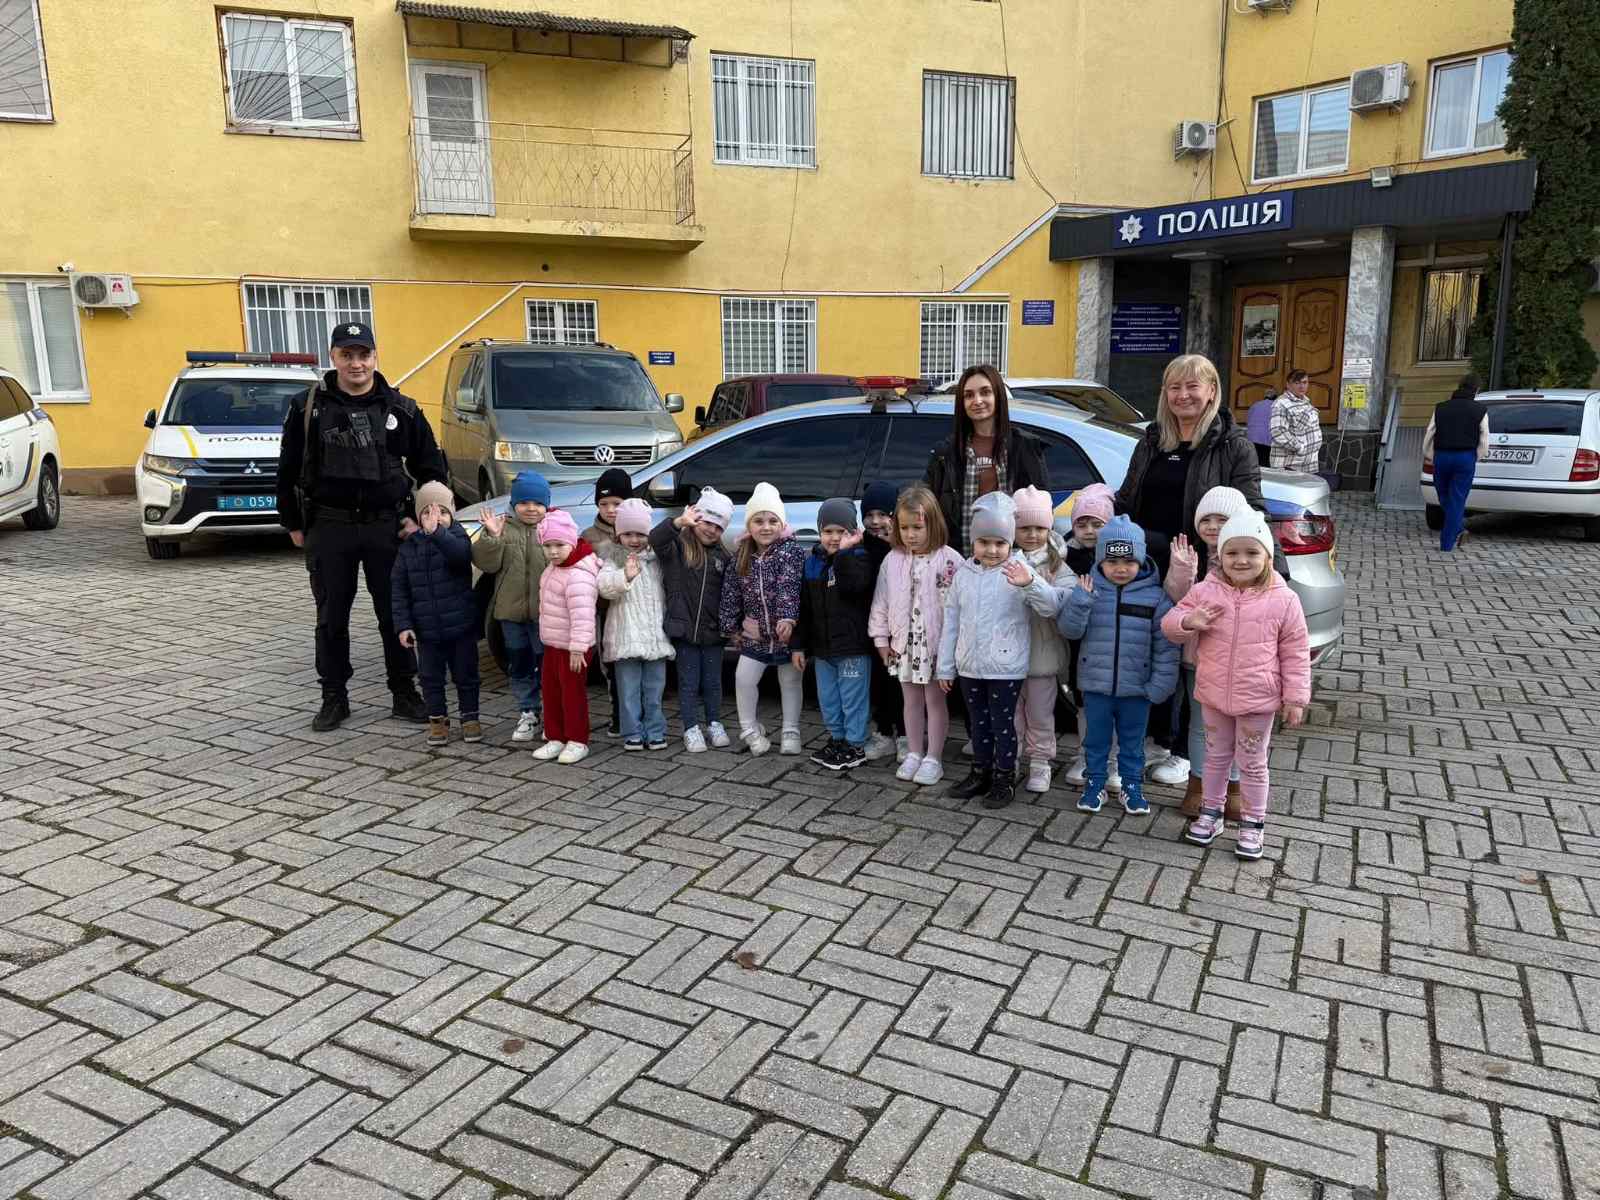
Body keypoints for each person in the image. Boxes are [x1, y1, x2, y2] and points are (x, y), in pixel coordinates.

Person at [276, 322, 447, 731]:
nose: (357, 363)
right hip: (329, 527)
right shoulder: (307, 407)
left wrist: (423, 517)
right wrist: (293, 522)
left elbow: (432, 468)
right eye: (347, 355)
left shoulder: (401, 408)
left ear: (375, 356)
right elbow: (287, 468)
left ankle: (404, 692)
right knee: (331, 618)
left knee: (395, 614)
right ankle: (334, 697)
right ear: (333, 357)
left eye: (364, 354)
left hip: (387, 529)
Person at [1114, 352, 1266, 785]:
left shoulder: (1232, 446)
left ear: (1212, 391)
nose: (1183, 395)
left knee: (1194, 664)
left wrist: (1228, 559)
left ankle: (1184, 750)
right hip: (1148, 570)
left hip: (1204, 573)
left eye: (1192, 386)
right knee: (1156, 657)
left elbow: (1251, 510)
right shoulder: (1151, 441)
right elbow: (1127, 498)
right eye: (1174, 387)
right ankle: (1159, 739)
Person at [1164, 509, 1310, 859]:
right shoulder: (1205, 591)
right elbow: (1169, 623)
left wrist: (1295, 698)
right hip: (1214, 695)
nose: (1241, 560)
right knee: (1215, 758)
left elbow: (1295, 651)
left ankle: (1253, 822)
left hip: (1258, 700)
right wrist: (1189, 620)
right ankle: (1211, 813)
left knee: (1253, 763)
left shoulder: (1284, 599)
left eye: (1251, 552)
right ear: (1220, 556)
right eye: (1232, 552)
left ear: (1267, 556)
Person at [937, 492, 1059, 810]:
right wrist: (946, 666)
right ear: (973, 541)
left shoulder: (1020, 569)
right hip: (969, 665)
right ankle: (981, 772)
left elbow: (1050, 606)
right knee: (977, 724)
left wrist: (1029, 583)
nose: (992, 550)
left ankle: (1004, 777)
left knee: (1003, 725)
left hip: (1005, 667)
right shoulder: (963, 574)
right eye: (984, 542)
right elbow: (952, 622)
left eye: (1000, 543)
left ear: (1010, 542)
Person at [1057, 516, 1180, 816]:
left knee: (1133, 743)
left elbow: (1166, 646)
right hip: (1096, 687)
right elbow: (1070, 631)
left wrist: (1160, 686)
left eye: (1128, 561)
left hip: (1137, 690)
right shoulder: (1088, 590)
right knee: (1096, 741)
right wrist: (1080, 602)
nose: (1120, 568)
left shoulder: (1156, 598)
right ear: (1100, 561)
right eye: (1112, 561)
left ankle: (1132, 787)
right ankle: (1094, 784)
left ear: (1141, 560)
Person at [869, 486, 964, 787]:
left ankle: (933, 758)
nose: (910, 535)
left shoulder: (950, 560)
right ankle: (914, 752)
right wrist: (881, 640)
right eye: (904, 528)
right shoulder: (892, 560)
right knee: (910, 700)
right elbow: (881, 601)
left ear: (932, 524)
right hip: (904, 645)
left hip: (935, 646)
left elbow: (961, 608)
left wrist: (954, 649)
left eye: (917, 528)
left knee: (934, 701)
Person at [1164, 485, 1250, 819]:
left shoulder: (1247, 559)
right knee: (1201, 727)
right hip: (1197, 660)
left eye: (1222, 519)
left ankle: (1235, 789)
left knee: (1239, 729)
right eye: (1206, 519)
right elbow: (1177, 603)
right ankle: (1197, 787)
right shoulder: (1192, 555)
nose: (1213, 526)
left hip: (1237, 664)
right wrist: (1182, 571)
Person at [719, 482, 807, 756]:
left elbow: (789, 586)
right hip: (754, 634)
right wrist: (730, 626)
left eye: (772, 521)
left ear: (782, 524)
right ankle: (750, 730)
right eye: (759, 521)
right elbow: (731, 593)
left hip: (785, 635)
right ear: (749, 525)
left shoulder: (790, 552)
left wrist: (788, 618)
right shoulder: (741, 556)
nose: (766, 527)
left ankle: (791, 730)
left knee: (790, 682)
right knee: (743, 679)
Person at [925, 364, 1049, 554]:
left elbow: (1040, 506)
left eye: (985, 392)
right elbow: (927, 501)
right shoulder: (946, 452)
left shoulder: (1024, 446)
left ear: (998, 395)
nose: (977, 401)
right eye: (969, 395)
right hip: (961, 559)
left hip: (1012, 561)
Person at [391, 482, 479, 747]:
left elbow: (460, 557)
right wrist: (403, 625)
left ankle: (470, 717)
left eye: (442, 512)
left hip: (460, 626)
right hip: (427, 631)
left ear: (452, 513)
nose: (435, 518)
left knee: (466, 675)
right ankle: (437, 719)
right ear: (418, 517)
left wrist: (438, 533)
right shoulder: (409, 548)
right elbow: (399, 590)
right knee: (430, 679)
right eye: (427, 512)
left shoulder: (457, 537)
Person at [793, 499, 877, 771]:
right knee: (829, 699)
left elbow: (854, 586)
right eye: (828, 531)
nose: (834, 538)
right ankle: (838, 738)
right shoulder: (812, 564)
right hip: (823, 649)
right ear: (819, 532)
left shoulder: (859, 558)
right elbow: (805, 609)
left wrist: (843, 554)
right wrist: (798, 646)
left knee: (853, 700)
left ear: (854, 532)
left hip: (852, 648)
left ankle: (855, 744)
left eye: (842, 532)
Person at [650, 487, 734, 753]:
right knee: (688, 683)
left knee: (713, 683)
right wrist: (678, 522)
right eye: (707, 522)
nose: (711, 530)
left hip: (713, 633)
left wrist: (729, 626)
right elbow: (656, 539)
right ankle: (690, 727)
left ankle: (714, 722)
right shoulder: (678, 547)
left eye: (718, 527)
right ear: (696, 518)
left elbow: (731, 596)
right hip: (684, 631)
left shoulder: (724, 557)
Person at [473, 470, 548, 743]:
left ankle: (551, 713)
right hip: (510, 613)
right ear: (514, 504)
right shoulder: (503, 529)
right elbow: (486, 563)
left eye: (538, 503)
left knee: (545, 665)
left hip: (544, 615)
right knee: (520, 664)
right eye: (524, 502)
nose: (531, 508)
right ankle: (528, 711)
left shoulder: (551, 529)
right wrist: (492, 537)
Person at [597, 498, 675, 752]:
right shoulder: (613, 559)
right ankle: (632, 732)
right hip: (626, 636)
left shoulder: (656, 560)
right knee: (628, 690)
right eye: (627, 534)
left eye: (640, 534)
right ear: (618, 535)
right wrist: (625, 576)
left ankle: (655, 731)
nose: (634, 539)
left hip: (654, 637)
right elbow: (604, 586)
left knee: (654, 690)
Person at [1012, 486, 1073, 794]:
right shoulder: (1003, 557)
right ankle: (1010, 757)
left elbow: (1059, 605)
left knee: (1039, 714)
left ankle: (1040, 762)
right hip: (1007, 656)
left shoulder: (1058, 565)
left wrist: (1031, 583)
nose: (1032, 534)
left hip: (1042, 655)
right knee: (1011, 715)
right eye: (1024, 528)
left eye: (1039, 527)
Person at [1057, 484, 1116, 790]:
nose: (1090, 531)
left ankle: (1114, 760)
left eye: (1097, 524)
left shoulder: (1121, 558)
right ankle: (1085, 755)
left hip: (1113, 643)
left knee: (1114, 704)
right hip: (1081, 644)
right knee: (1083, 703)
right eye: (1082, 524)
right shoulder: (1067, 557)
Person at [532, 510, 599, 765]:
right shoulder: (553, 569)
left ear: (571, 542)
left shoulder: (578, 575)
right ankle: (556, 736)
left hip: (573, 648)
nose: (553, 551)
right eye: (547, 546)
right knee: (551, 691)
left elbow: (583, 616)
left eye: (559, 545)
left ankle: (577, 740)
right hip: (553, 643)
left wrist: (578, 648)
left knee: (572, 694)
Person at [860, 479, 906, 761]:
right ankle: (884, 733)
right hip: (874, 630)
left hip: (901, 630)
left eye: (883, 514)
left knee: (901, 684)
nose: (876, 522)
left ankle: (906, 735)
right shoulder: (860, 547)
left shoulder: (905, 546)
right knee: (879, 683)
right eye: (869, 515)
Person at [585, 467, 632, 736]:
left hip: (633, 609)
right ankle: (617, 713)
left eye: (617, 503)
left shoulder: (638, 530)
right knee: (610, 661)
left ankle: (636, 711)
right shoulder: (589, 536)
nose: (610, 510)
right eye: (604, 504)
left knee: (633, 660)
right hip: (604, 610)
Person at [1424, 376, 1490, 552]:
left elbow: (1430, 432)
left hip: (1442, 456)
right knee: (1457, 498)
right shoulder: (1480, 410)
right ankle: (1449, 540)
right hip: (1465, 457)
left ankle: (1454, 534)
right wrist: (1476, 456)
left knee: (1443, 495)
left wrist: (1429, 455)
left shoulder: (1440, 408)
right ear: (1476, 391)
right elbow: (1484, 438)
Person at [1271, 369, 1323, 473]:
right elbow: (1278, 431)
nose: (1302, 386)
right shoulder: (1281, 404)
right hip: (1290, 465)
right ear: (1288, 385)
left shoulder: (1305, 402)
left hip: (1307, 465)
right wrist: (1300, 448)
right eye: (1297, 383)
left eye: (1304, 382)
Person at [1246, 390, 1276, 468]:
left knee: (1253, 466)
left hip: (1252, 440)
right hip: (1267, 442)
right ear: (1275, 397)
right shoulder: (1276, 406)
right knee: (1266, 467)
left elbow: (1249, 420)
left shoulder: (1255, 405)